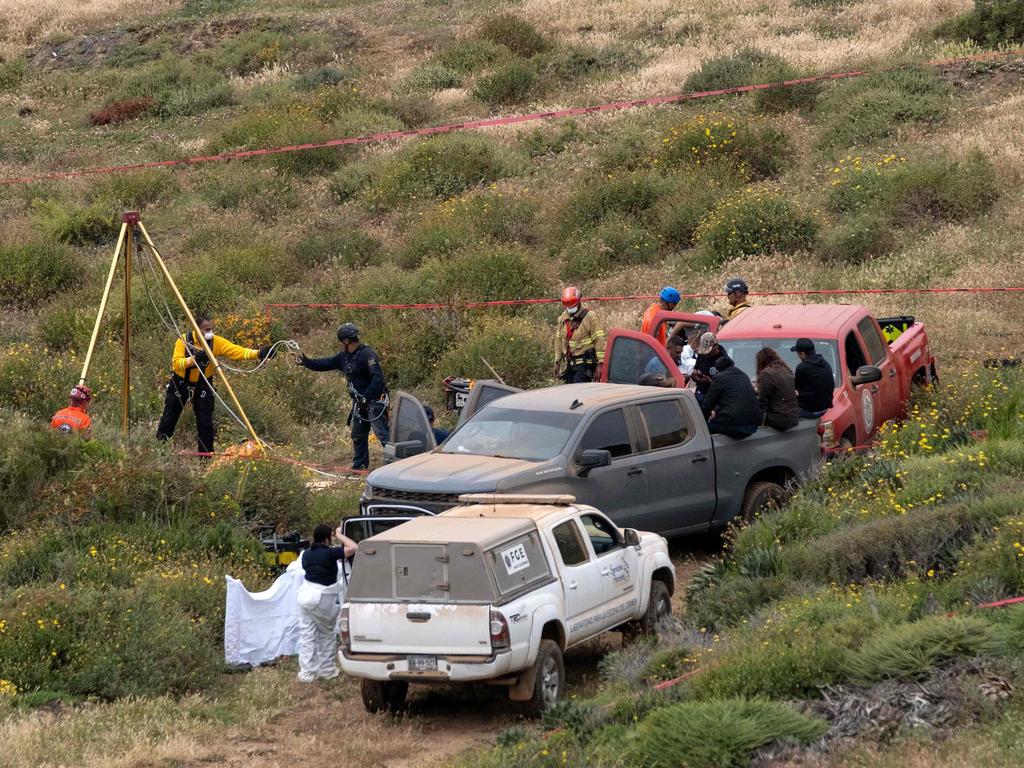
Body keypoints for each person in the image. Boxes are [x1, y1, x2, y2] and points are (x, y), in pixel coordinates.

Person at [156, 314, 275, 454]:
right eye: (206, 329)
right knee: (169, 419)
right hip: (180, 383)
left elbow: (236, 351)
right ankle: (160, 453)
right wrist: (194, 359)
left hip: (203, 385)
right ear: (196, 329)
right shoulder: (183, 341)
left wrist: (259, 353)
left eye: (211, 329)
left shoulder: (215, 342)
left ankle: (205, 459)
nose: (209, 332)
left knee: (205, 424)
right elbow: (177, 364)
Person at [297, 323, 390, 470]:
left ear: (346, 341)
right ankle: (360, 466)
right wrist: (307, 363)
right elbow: (326, 363)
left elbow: (377, 378)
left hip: (374, 401)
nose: (341, 344)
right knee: (358, 435)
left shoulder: (368, 355)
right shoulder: (344, 357)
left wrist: (367, 398)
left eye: (341, 341)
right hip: (360, 403)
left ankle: (396, 464)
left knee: (383, 435)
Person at [297, 523, 358, 683]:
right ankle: (327, 670)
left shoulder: (306, 554)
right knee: (326, 635)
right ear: (326, 538)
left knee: (306, 636)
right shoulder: (330, 553)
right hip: (322, 598)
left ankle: (307, 674)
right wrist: (340, 534)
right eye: (331, 536)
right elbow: (354, 547)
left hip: (304, 598)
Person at [700, 355, 763, 439]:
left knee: (702, 429)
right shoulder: (743, 375)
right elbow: (732, 398)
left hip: (734, 425)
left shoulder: (719, 378)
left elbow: (706, 405)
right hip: (752, 425)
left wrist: (702, 421)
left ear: (717, 369)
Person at [554, 286, 605, 384]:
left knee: (578, 394)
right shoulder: (562, 319)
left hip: (585, 365)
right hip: (570, 365)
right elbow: (559, 341)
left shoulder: (590, 317)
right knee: (569, 395)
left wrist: (600, 364)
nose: (570, 308)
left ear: (579, 301)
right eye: (567, 305)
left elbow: (599, 340)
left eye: (572, 304)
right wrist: (557, 363)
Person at [755, 347, 799, 431]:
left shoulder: (766, 374)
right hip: (794, 416)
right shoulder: (786, 370)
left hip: (780, 419)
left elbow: (762, 403)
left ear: (761, 361)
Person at [791, 338, 835, 419]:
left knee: (782, 412)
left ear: (803, 354)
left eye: (798, 354)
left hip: (811, 411)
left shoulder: (802, 367)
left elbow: (795, 387)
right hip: (825, 407)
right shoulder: (825, 363)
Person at [689, 331, 722, 401]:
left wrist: (710, 381)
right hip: (701, 392)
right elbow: (695, 370)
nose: (706, 355)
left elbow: (724, 384)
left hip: (716, 396)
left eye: (708, 352)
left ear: (715, 347)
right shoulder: (702, 355)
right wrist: (696, 376)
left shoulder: (723, 359)